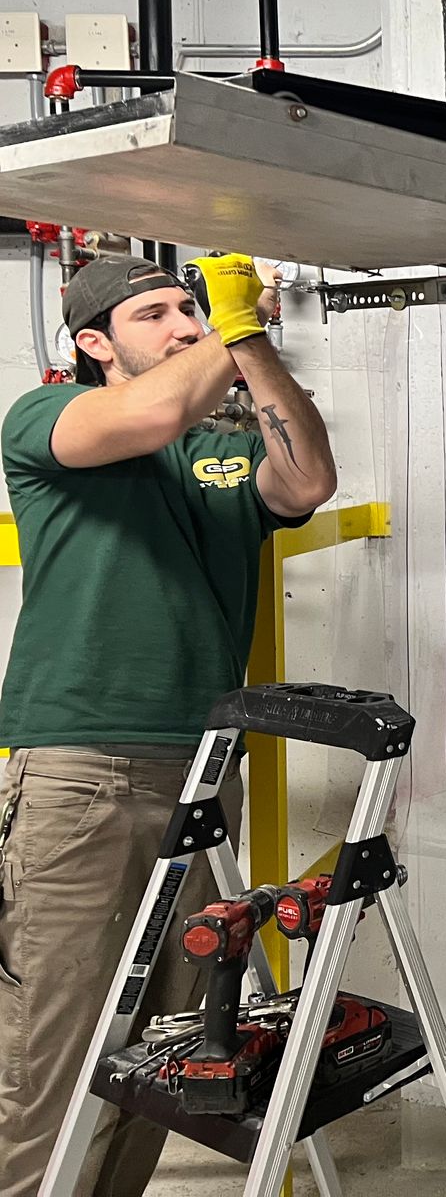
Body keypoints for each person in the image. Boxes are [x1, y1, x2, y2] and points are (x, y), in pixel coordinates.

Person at [0, 252, 336, 1197]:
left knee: (166, 1055)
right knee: (52, 1059)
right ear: (94, 343)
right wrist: (233, 331)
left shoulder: (217, 456)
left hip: (201, 777)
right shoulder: (46, 419)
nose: (186, 324)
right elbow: (149, 412)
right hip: (80, 771)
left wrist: (253, 340)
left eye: (193, 308)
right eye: (157, 314)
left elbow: (307, 480)